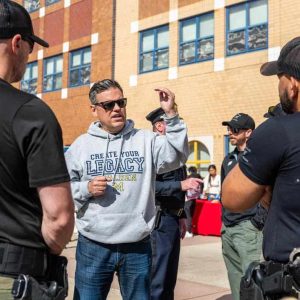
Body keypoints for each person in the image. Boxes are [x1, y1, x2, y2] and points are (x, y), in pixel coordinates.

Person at [65, 79, 188, 300]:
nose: (117, 109)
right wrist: (86, 188)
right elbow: (63, 189)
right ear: (94, 110)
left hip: (137, 245)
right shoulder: (81, 146)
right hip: (94, 244)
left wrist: (171, 115)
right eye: (108, 105)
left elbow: (177, 156)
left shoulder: (145, 140)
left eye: (121, 102)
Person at [0, 1, 75, 299]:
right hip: (12, 276)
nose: (29, 59)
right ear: (18, 43)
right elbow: (59, 218)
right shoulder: (31, 113)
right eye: (31, 48)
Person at [222, 36, 300, 299]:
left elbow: (232, 197)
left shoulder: (279, 132)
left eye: (279, 77)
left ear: (293, 85)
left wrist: (268, 191)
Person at [145, 107, 202, 300]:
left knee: (169, 278)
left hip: (171, 219)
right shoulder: (153, 150)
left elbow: (176, 192)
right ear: (160, 126)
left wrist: (182, 215)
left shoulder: (175, 155)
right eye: (173, 125)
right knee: (157, 280)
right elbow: (150, 186)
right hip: (159, 222)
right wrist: (181, 184)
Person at [220, 113, 267, 300]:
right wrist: (223, 223)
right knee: (236, 284)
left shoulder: (259, 158)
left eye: (235, 129)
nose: (230, 132)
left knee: (254, 286)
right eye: (229, 128)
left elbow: (268, 192)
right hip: (228, 229)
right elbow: (224, 194)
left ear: (248, 132)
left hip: (248, 230)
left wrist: (256, 222)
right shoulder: (228, 159)